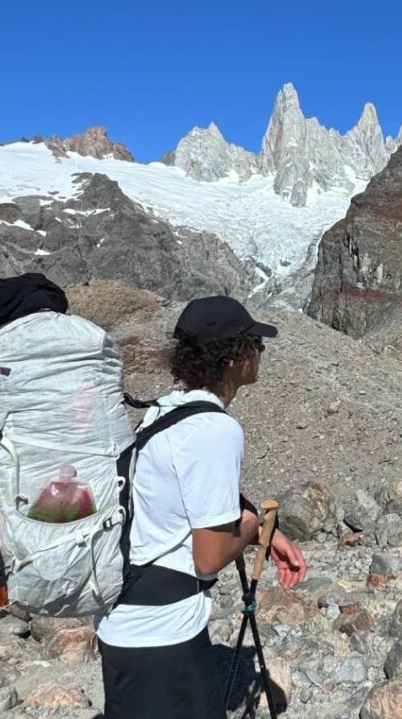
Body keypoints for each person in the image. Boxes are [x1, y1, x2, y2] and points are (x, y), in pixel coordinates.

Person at [95, 295, 308, 718]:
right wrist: (251, 528)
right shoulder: (215, 429)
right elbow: (208, 557)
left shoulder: (166, 410)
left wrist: (271, 532)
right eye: (255, 344)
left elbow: (184, 493)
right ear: (233, 357)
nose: (260, 353)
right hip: (164, 635)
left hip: (126, 621)